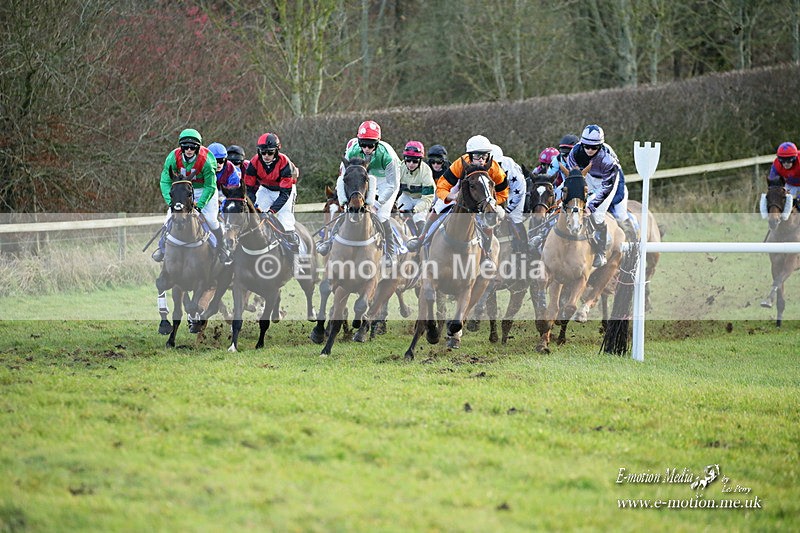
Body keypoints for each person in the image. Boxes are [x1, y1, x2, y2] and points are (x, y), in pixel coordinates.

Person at [407, 134, 507, 269]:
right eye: (477, 156)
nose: (482, 159)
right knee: (437, 207)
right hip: (459, 192)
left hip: (483, 198)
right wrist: (451, 197)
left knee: (489, 220)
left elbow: (504, 192)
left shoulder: (495, 169)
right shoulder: (460, 164)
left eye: (484, 156)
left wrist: (491, 202)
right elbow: (442, 186)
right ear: (470, 156)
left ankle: (486, 255)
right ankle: (422, 238)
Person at [317, 120, 401, 266]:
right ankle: (329, 241)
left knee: (381, 215)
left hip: (387, 181)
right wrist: (343, 199)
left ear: (378, 143)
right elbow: (344, 177)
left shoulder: (388, 157)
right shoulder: (352, 150)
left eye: (371, 145)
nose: (366, 148)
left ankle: (391, 252)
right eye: (363, 144)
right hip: (364, 177)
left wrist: (377, 202)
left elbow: (393, 184)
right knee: (348, 210)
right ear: (358, 142)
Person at [152, 128, 231, 265]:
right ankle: (162, 248)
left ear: (198, 147)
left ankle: (222, 249)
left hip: (204, 191)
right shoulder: (172, 157)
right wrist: (171, 202)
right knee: (169, 217)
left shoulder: (206, 159)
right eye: (185, 146)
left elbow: (210, 186)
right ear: (181, 147)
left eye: (193, 147)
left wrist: (199, 206)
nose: (189, 149)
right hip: (183, 191)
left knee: (211, 220)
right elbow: (165, 181)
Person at [566, 124, 636, 267]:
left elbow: (605, 189)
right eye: (586, 146)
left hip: (609, 182)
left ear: (600, 146)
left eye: (594, 147)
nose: (590, 150)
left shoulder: (607, 159)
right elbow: (575, 178)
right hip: (589, 177)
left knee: (598, 214)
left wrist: (591, 207)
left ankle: (601, 252)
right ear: (581, 143)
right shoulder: (574, 153)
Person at [244, 132, 300, 252]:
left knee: (286, 222)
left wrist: (271, 211)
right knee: (254, 217)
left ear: (277, 151)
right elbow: (249, 189)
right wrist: (253, 206)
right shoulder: (254, 163)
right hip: (265, 190)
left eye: (270, 152)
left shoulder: (285, 162)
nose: (266, 155)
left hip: (285, 191)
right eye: (263, 152)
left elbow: (285, 194)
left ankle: (295, 260)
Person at [490, 143, 527, 252]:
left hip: (515, 190)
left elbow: (518, 192)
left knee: (514, 217)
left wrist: (508, 210)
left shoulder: (511, 170)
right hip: (497, 189)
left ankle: (523, 248)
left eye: (498, 164)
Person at [395, 140, 436, 233]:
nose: (411, 164)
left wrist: (414, 210)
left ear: (420, 160)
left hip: (422, 199)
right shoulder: (400, 168)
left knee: (418, 218)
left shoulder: (426, 172)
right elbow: (393, 188)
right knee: (399, 214)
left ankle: (422, 242)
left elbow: (428, 199)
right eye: (408, 160)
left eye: (415, 161)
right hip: (406, 196)